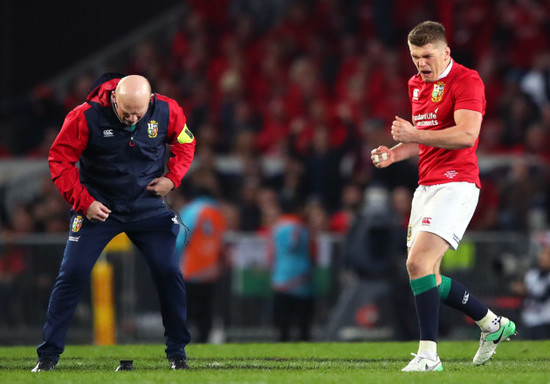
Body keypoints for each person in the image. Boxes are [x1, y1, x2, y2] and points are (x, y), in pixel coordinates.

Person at [370, 21, 516, 372]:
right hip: (427, 186)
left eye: (427, 56)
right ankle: (492, 325)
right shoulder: (416, 84)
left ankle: (428, 356)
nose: (421, 63)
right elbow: (425, 137)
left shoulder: (467, 81)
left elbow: (467, 135)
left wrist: (414, 131)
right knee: (427, 276)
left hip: (458, 183)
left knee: (417, 263)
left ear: (446, 52)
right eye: (415, 56)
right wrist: (395, 152)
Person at [32, 73, 196, 372]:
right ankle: (48, 355)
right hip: (98, 209)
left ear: (150, 101)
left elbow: (186, 142)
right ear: (113, 100)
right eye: (125, 112)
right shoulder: (84, 116)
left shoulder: (168, 111)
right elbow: (59, 159)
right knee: (73, 273)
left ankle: (177, 352)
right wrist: (84, 202)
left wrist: (173, 178)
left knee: (168, 271)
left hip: (147, 208)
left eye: (139, 112)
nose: (132, 118)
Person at [174, 171, 227, 343]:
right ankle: (204, 341)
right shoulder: (218, 213)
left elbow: (182, 238)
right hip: (211, 269)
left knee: (187, 309)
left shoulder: (192, 210)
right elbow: (221, 241)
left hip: (191, 269)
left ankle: (183, 342)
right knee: (207, 310)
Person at [269, 200, 316, 342]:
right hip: (302, 279)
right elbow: (313, 252)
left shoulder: (277, 228)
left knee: (283, 327)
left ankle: (281, 358)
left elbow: (271, 254)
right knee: (303, 327)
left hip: (282, 279)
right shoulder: (303, 228)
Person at [511, 234, 550, 339]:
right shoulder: (532, 274)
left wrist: (526, 291)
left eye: (546, 256)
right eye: (542, 255)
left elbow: (543, 296)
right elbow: (520, 291)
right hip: (529, 318)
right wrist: (517, 288)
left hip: (545, 320)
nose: (542, 258)